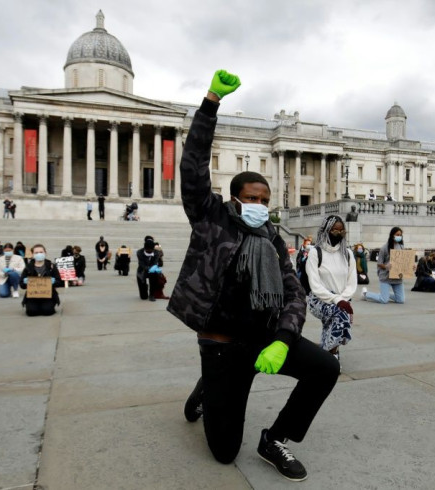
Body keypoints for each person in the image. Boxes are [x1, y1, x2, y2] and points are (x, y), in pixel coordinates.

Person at [169, 71, 339, 482]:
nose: (260, 205)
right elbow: (192, 168)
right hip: (224, 347)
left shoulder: (272, 239)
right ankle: (207, 388)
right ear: (234, 200)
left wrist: (283, 340)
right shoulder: (211, 221)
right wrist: (210, 102)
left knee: (325, 368)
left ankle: (276, 438)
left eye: (264, 200)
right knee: (225, 453)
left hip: (263, 340)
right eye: (251, 199)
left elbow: (294, 293)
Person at [306, 215, 357, 362]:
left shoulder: (347, 254)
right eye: (335, 230)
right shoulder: (316, 252)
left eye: (342, 231)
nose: (339, 234)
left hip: (342, 300)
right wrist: (336, 300)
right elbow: (315, 285)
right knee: (341, 317)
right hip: (319, 300)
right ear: (326, 230)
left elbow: (351, 283)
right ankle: (331, 356)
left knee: (333, 324)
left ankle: (325, 354)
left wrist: (342, 299)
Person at [362, 226, 407, 304]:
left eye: (400, 235)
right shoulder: (384, 248)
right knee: (384, 300)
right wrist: (386, 266)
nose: (399, 237)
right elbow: (379, 263)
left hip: (397, 278)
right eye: (397, 235)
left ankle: (385, 294)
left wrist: (410, 266)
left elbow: (404, 262)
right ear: (392, 235)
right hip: (386, 277)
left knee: (401, 300)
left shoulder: (402, 247)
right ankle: (366, 294)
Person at [20, 244, 62, 316]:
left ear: (45, 253)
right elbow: (21, 285)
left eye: (41, 252)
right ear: (32, 254)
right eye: (36, 253)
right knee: (31, 312)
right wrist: (25, 282)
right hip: (32, 295)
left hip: (48, 295)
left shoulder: (51, 266)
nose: (39, 254)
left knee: (47, 311)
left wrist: (54, 282)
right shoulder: (28, 267)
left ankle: (47, 305)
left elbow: (59, 282)